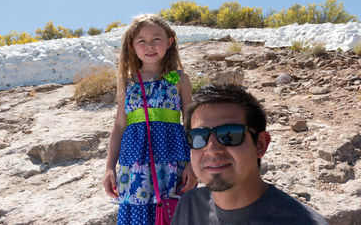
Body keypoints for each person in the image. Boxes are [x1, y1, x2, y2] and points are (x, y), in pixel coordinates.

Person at [172, 84, 328, 224]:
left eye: (229, 135)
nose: (211, 149)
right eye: (199, 137)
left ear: (260, 145)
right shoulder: (189, 207)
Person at [103, 14, 197, 225]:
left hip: (174, 160)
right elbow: (119, 125)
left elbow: (191, 122)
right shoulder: (128, 82)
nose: (150, 46)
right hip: (134, 163)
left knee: (176, 213)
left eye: (156, 39)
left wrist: (193, 163)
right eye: (141, 41)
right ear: (131, 45)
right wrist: (109, 167)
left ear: (170, 41)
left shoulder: (179, 78)